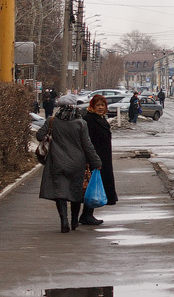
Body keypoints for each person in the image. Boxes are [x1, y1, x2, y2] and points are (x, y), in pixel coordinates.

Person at [36, 94, 102, 232]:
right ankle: (74, 221)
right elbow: (87, 145)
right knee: (75, 191)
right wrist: (96, 161)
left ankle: (64, 221)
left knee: (60, 191)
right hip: (77, 163)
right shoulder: (81, 123)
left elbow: (39, 136)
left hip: (56, 161)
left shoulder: (52, 120)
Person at [79, 93, 117, 226]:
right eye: (98, 105)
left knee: (95, 185)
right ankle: (86, 214)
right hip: (95, 158)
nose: (100, 108)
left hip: (102, 157)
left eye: (102, 105)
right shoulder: (89, 119)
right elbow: (87, 141)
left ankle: (87, 214)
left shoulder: (100, 118)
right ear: (92, 106)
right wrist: (90, 159)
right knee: (91, 186)